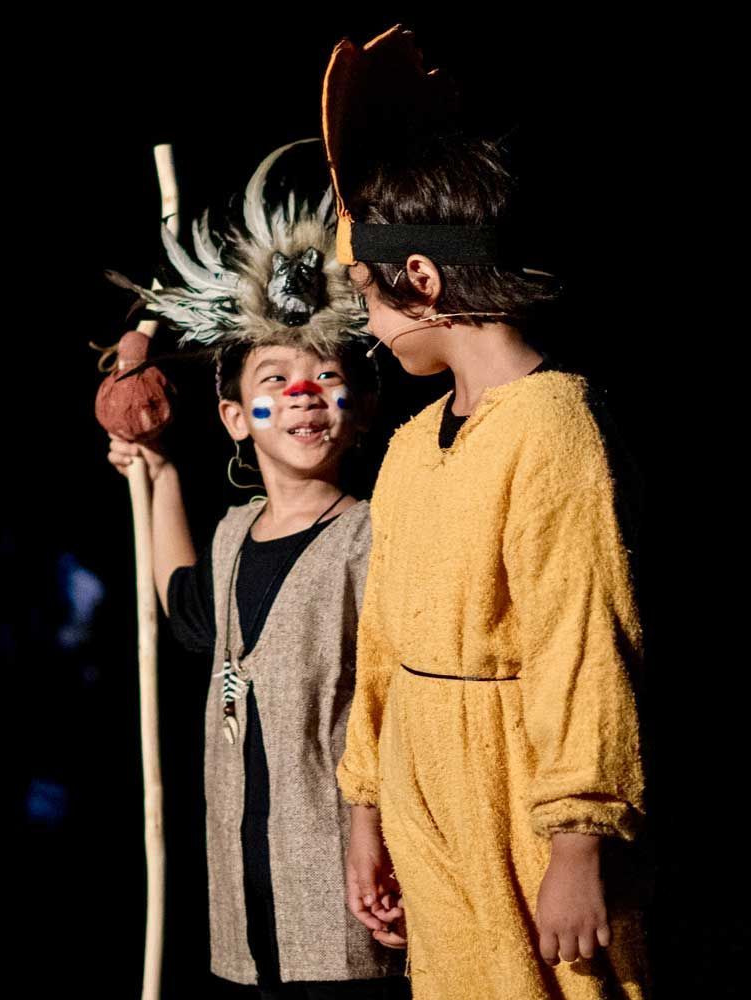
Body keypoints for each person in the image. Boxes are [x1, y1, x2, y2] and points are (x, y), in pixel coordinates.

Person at [320, 26, 650, 1000]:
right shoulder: (412, 448)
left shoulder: (550, 426)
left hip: (517, 791)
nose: (369, 329)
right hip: (430, 804)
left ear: (419, 278)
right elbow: (379, 641)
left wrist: (579, 838)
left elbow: (580, 638)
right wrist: (366, 808)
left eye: (367, 297)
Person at [106, 140, 409, 999]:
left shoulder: (377, 536)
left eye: (326, 375)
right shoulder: (237, 530)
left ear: (359, 410)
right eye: (277, 379)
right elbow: (191, 613)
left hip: (350, 889)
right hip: (249, 900)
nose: (306, 393)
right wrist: (159, 473)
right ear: (237, 417)